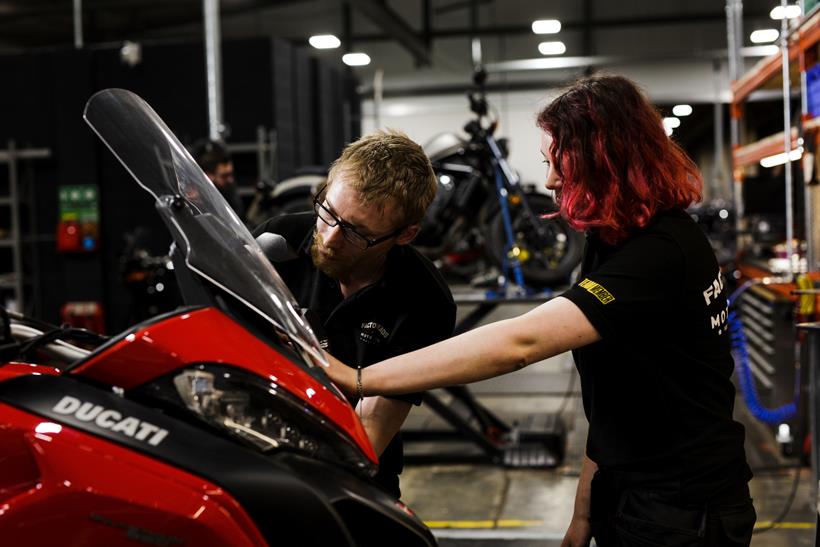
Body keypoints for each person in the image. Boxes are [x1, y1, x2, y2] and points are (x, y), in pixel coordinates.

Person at [324, 75, 756, 546]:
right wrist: (585, 511)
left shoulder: (660, 252)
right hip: (634, 494)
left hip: (685, 511)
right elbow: (613, 397)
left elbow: (519, 344)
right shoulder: (614, 239)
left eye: (561, 166)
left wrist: (356, 377)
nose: (550, 180)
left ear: (605, 163)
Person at [253, 129, 456, 499]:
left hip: (349, 480)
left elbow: (367, 437)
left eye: (356, 232)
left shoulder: (424, 300)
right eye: (328, 212)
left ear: (405, 234)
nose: (329, 238)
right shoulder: (278, 240)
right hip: (252, 454)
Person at [193, 139, 245, 218]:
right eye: (224, 176)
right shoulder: (195, 202)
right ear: (208, 176)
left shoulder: (230, 194)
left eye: (231, 174)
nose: (230, 180)